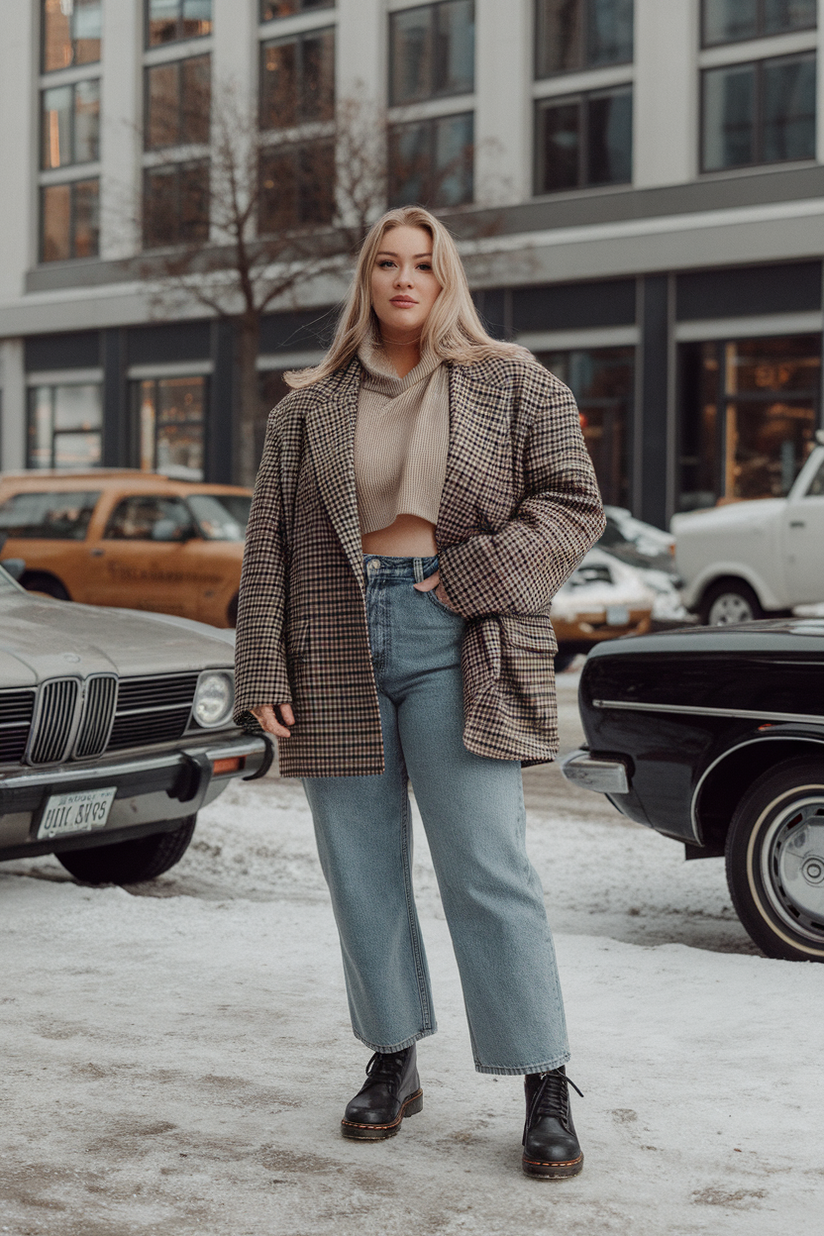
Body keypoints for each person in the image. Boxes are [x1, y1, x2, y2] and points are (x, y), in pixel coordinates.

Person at [234, 205, 605, 1179]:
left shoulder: (510, 381)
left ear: (447, 281)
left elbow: (571, 506)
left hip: (458, 638)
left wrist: (477, 575)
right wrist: (263, 669)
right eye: (387, 264)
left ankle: (542, 1079)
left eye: (423, 266)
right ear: (365, 280)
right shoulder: (303, 408)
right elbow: (267, 545)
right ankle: (391, 1056)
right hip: (333, 645)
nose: (404, 280)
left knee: (486, 866)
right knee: (359, 871)